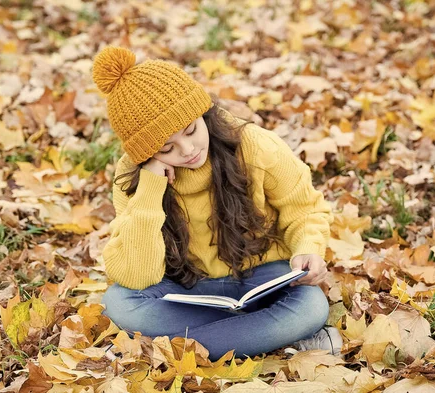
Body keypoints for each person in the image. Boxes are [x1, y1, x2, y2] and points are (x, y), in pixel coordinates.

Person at [93, 46, 343, 362]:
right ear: (146, 153)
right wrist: (150, 191)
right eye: (168, 147)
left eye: (191, 130)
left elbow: (304, 207)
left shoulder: (254, 145)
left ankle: (165, 353)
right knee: (120, 303)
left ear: (203, 112)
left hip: (262, 277)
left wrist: (308, 246)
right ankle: (257, 335)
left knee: (310, 306)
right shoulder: (134, 179)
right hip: (189, 290)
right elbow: (138, 277)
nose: (187, 150)